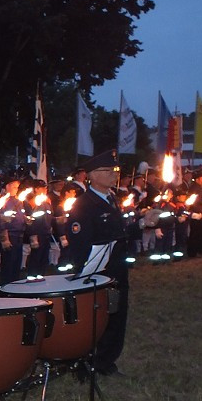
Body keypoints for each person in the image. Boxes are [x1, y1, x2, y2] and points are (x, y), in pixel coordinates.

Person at [66, 149, 130, 376]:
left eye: (114, 170)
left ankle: (106, 360)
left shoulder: (111, 198)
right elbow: (79, 242)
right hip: (98, 272)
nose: (114, 174)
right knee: (98, 319)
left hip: (117, 268)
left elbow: (119, 231)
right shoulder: (84, 204)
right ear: (91, 175)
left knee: (116, 315)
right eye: (107, 170)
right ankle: (90, 360)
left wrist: (140, 225)